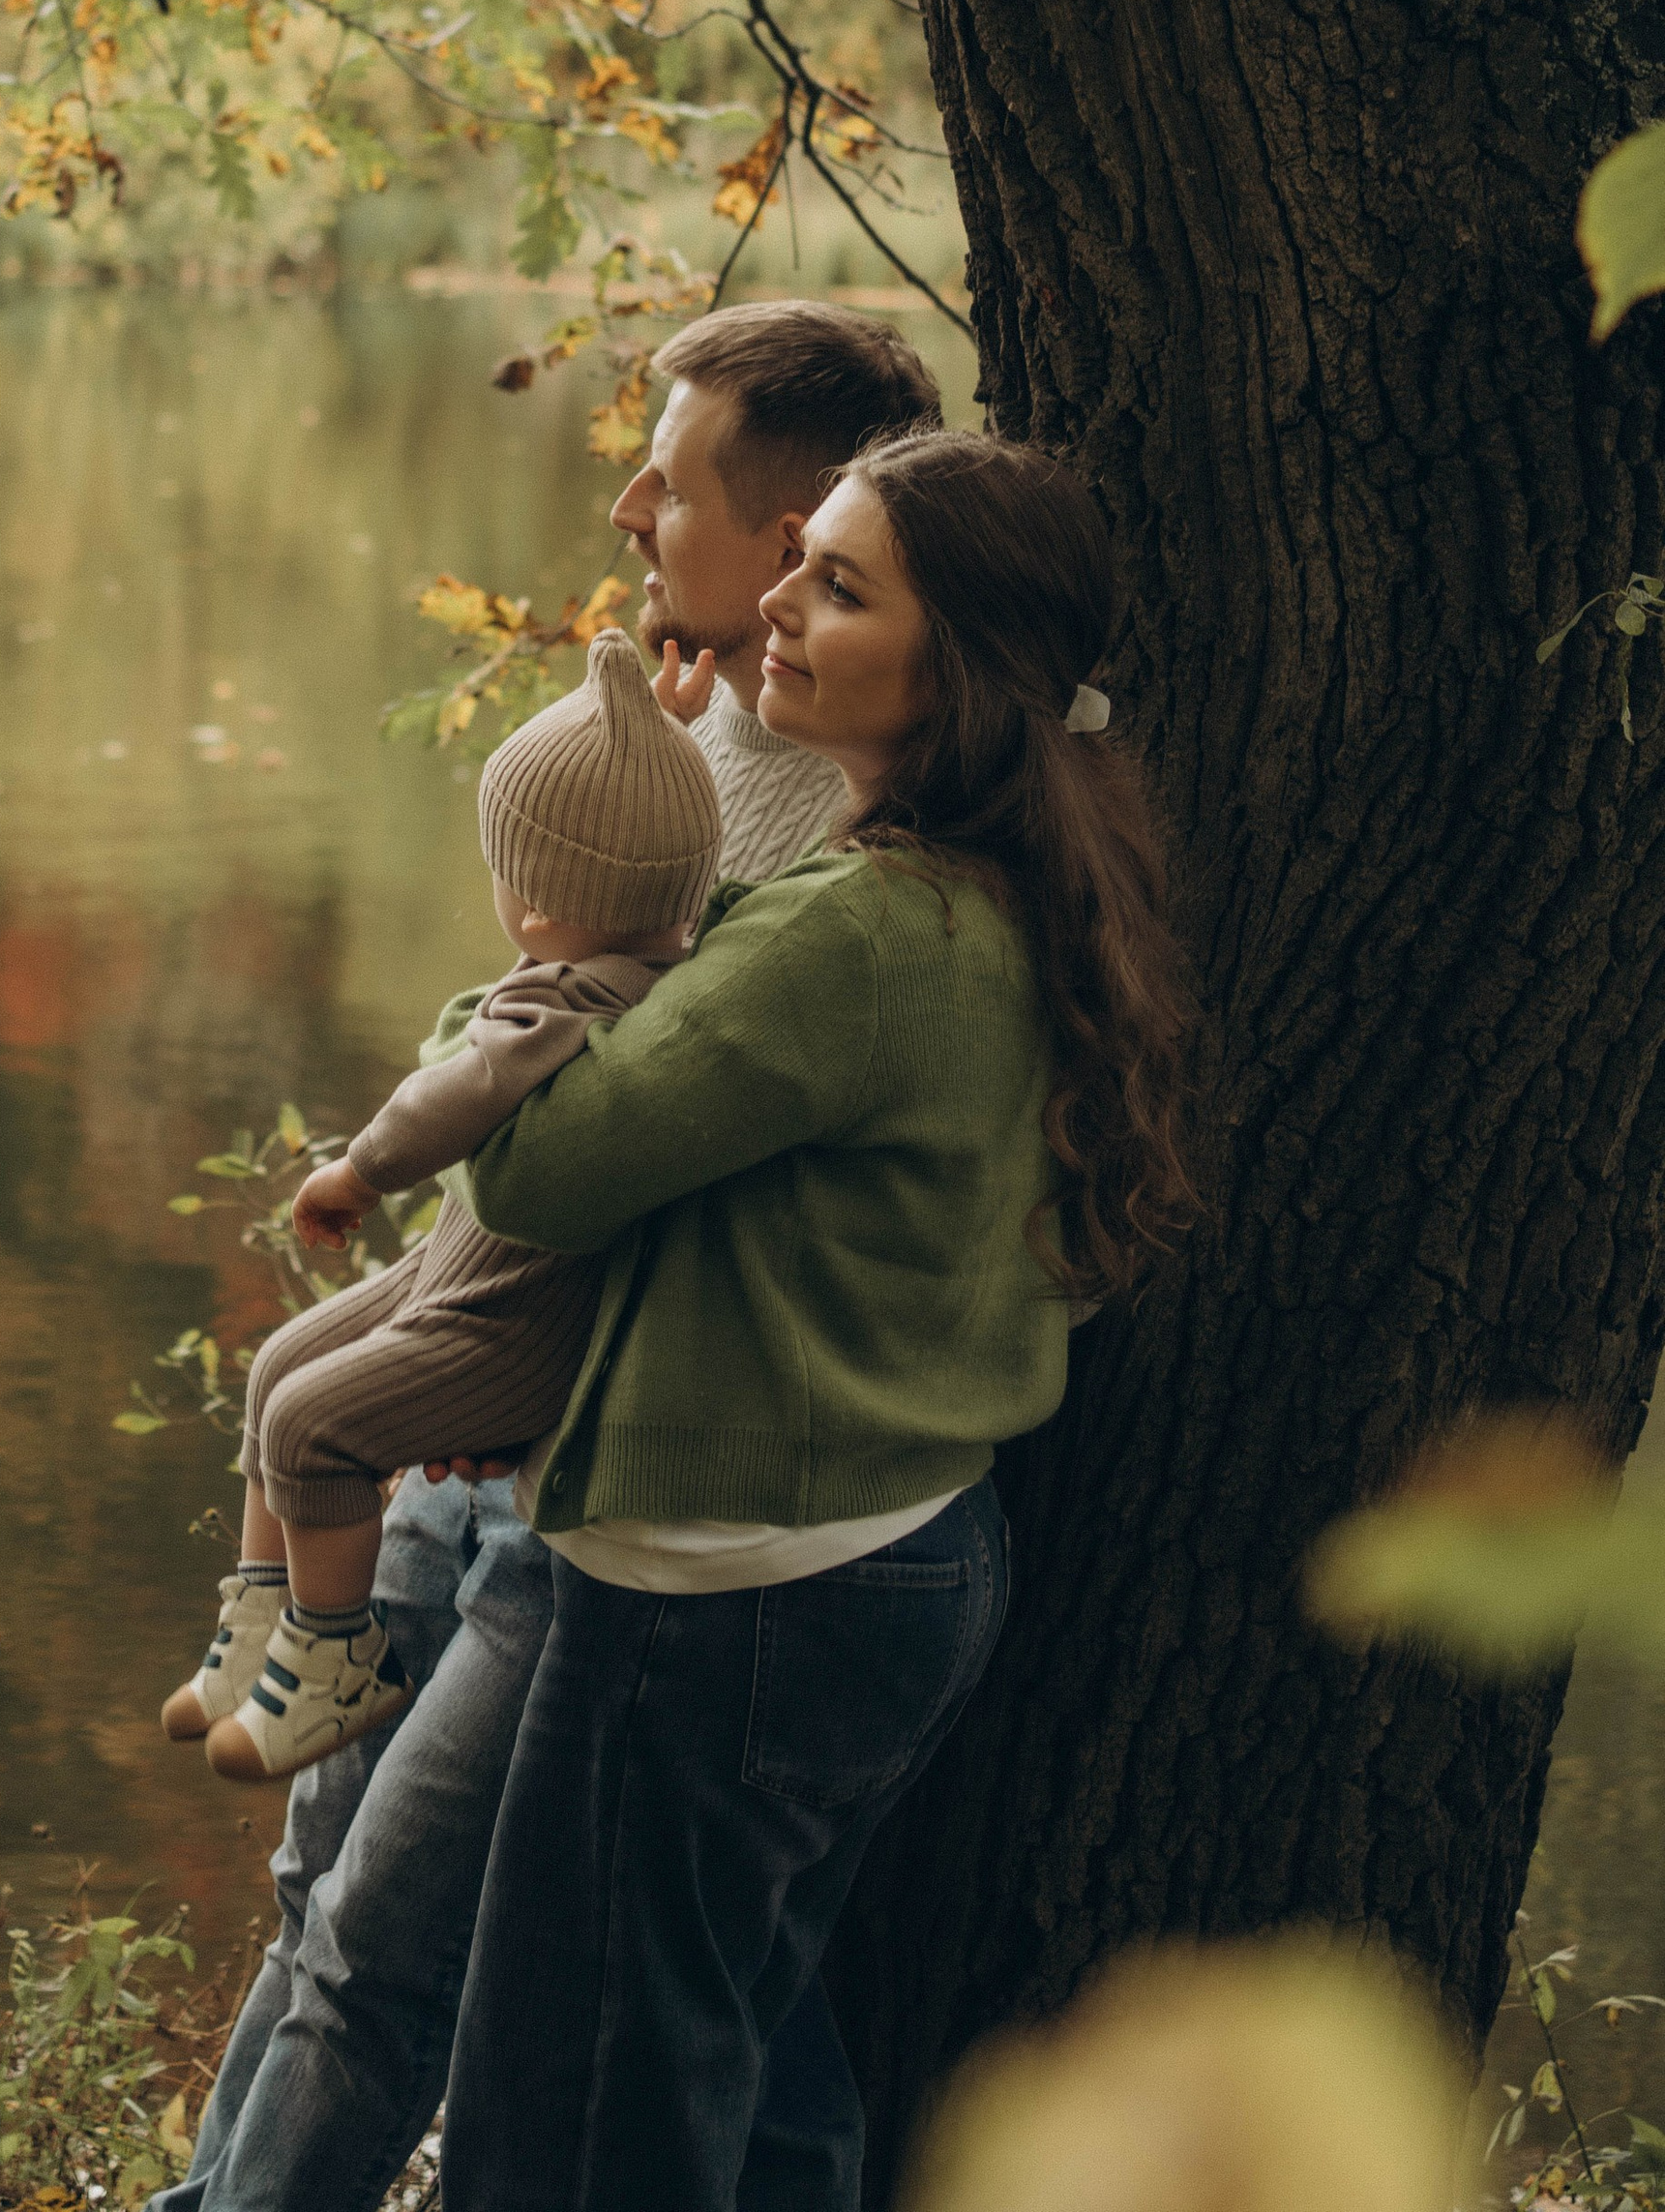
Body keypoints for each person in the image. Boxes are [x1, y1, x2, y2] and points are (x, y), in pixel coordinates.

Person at [153, 296, 942, 2212]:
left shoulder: (869, 847)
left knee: (409, 1964)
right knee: (322, 1903)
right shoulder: (685, 746)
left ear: (786, 538)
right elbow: (535, 1015)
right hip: (476, 1409)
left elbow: (607, 1132)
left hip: (602, 1478)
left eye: (658, 480)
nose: (619, 510)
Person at [436, 427, 1199, 2212]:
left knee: (578, 2123)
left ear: (968, 667)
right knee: (749, 2074)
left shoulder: (857, 935)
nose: (774, 598)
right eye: (801, 563)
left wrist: (537, 985)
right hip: (901, 1555)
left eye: (840, 583)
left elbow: (532, 1174)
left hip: (729, 1603)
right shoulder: (1025, 885)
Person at [164, 628, 722, 1782]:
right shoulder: (645, 958)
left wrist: (356, 1173)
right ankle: (266, 1612)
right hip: (461, 1275)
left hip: (506, 1318)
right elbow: (647, 845)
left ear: (540, 895)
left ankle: (336, 1653)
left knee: (315, 1423)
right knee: (276, 1371)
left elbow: (452, 1093)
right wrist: (666, 737)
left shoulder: (562, 1004)